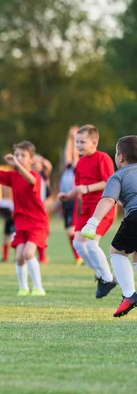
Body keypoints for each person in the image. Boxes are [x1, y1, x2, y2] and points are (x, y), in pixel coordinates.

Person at [58, 124, 117, 298]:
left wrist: (89, 188)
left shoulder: (102, 158)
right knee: (78, 244)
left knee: (91, 244)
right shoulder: (81, 162)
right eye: (77, 142)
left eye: (82, 142)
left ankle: (108, 278)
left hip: (102, 208)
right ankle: (101, 275)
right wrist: (68, 195)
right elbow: (78, 187)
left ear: (94, 142)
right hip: (86, 209)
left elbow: (109, 182)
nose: (78, 145)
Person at [82, 136, 137, 317]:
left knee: (116, 251)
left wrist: (92, 223)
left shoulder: (119, 175)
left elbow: (107, 200)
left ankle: (129, 295)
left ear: (120, 157)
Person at [0, 141, 47, 296]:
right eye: (17, 154)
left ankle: (39, 288)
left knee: (28, 254)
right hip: (20, 222)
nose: (18, 157)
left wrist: (17, 164)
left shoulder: (35, 177)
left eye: (22, 155)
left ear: (31, 159)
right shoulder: (13, 176)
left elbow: (31, 181)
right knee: (19, 257)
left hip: (37, 222)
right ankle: (23, 288)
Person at [59, 126, 82, 265]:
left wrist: (74, 138)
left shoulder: (77, 168)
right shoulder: (68, 168)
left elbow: (74, 154)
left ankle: (79, 256)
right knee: (69, 231)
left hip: (74, 200)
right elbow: (67, 154)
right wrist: (69, 137)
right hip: (66, 201)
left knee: (71, 230)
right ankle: (78, 256)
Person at [32, 154, 53, 264]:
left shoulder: (43, 176)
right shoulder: (29, 175)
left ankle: (42, 257)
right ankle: (40, 257)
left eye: (39, 164)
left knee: (43, 233)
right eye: (35, 163)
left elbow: (49, 166)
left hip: (42, 207)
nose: (37, 165)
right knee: (36, 232)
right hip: (33, 208)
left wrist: (41, 159)